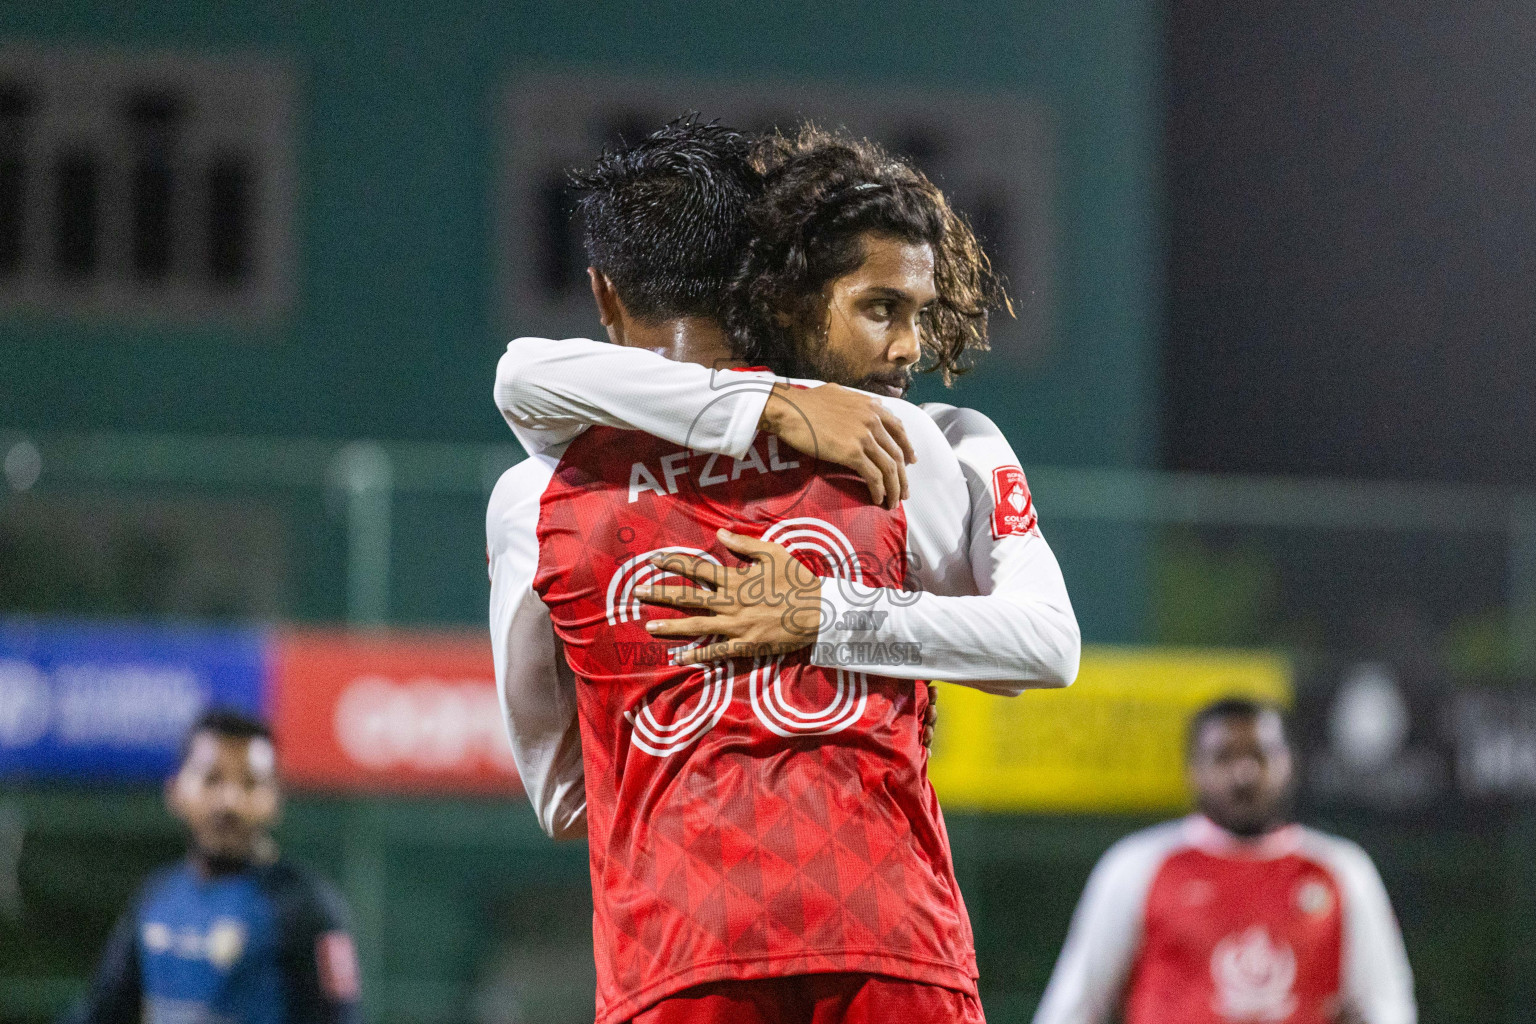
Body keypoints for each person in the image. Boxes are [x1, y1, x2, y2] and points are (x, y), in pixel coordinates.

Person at [487, 120, 1077, 1024]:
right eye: (885, 310)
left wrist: (806, 625)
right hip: (889, 932)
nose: (911, 347)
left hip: (676, 950)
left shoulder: (536, 491)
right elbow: (1035, 650)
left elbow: (566, 797)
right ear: (773, 284)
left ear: (604, 294)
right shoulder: (902, 444)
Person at [1032, 697, 1416, 1024]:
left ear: (1290, 763)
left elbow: (1386, 1008)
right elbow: (1074, 1006)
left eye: (1260, 755)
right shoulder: (1137, 866)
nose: (1243, 773)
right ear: (1193, 769)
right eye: (1223, 757)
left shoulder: (1342, 870)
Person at [72, 710, 362, 1024]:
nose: (229, 801)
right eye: (212, 778)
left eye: (250, 784)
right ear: (176, 791)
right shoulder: (157, 895)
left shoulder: (307, 905)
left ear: (275, 800)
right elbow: (102, 1010)